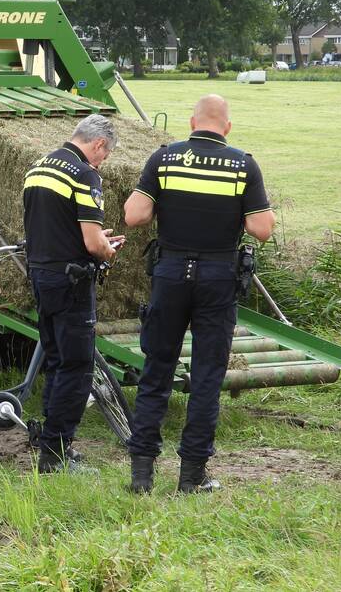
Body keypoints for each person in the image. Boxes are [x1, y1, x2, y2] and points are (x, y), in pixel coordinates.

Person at [123, 94, 275, 493]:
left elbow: (134, 216)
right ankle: (192, 477)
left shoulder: (164, 158)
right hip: (218, 276)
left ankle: (141, 476)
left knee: (156, 370)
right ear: (227, 127)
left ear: (192, 122)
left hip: (170, 273)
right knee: (207, 377)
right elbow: (262, 229)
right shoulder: (243, 164)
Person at [22, 114, 124, 473]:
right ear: (98, 144)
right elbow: (93, 243)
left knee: (55, 359)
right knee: (77, 366)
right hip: (71, 282)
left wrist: (93, 238)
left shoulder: (40, 166)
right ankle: (57, 453)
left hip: (40, 275)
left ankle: (48, 441)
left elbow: (54, 225)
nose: (102, 161)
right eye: (105, 154)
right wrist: (109, 249)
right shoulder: (84, 174)